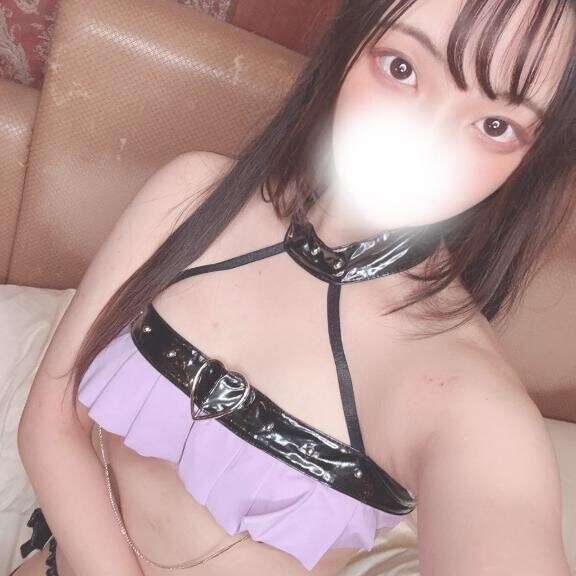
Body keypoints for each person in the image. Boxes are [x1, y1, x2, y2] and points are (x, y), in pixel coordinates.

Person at [13, 0, 575, 575]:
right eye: (401, 68)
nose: (423, 142)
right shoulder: (192, 196)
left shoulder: (471, 402)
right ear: (349, 47)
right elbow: (50, 424)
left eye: (496, 126)